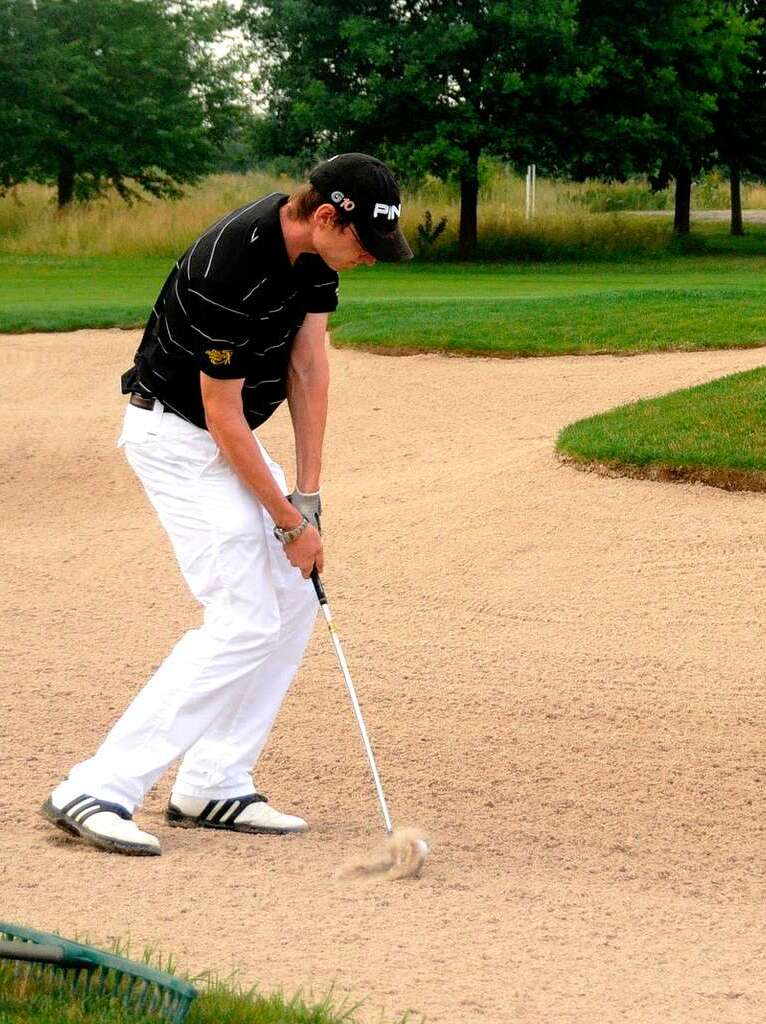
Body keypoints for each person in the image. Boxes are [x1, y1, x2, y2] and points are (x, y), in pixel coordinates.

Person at [42, 153, 413, 856]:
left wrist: (308, 497)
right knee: (243, 617)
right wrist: (285, 520)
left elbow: (309, 366)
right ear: (326, 217)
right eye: (364, 246)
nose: (367, 260)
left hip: (220, 438)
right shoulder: (229, 266)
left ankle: (213, 781)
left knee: (297, 593)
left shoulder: (317, 260)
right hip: (175, 435)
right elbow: (223, 417)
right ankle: (96, 786)